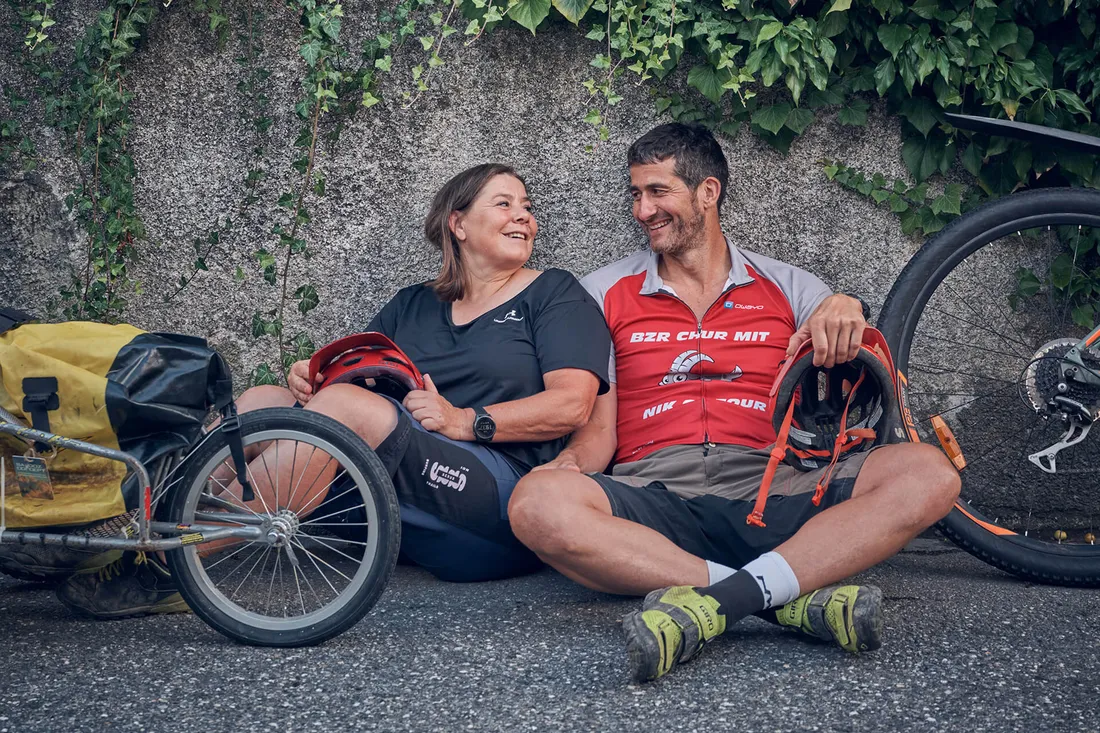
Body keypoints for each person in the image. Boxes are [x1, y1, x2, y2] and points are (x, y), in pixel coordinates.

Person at [51, 163, 612, 617]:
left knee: (346, 409)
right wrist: (310, 382)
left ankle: (164, 555)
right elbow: (360, 376)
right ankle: (159, 518)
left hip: (492, 505)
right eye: (506, 203)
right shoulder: (413, 305)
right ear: (457, 223)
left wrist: (466, 420)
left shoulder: (553, 295)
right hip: (396, 498)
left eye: (528, 207)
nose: (525, 217)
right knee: (263, 401)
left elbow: (572, 403)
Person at [506, 124, 961, 683]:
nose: (642, 210)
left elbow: (842, 320)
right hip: (654, 496)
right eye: (636, 194)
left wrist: (844, 306)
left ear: (708, 193)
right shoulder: (601, 293)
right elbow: (599, 429)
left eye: (657, 192)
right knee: (534, 504)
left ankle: (713, 601)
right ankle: (783, 599)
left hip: (772, 486)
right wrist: (568, 468)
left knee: (929, 475)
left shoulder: (787, 285)